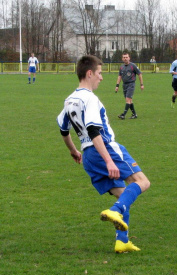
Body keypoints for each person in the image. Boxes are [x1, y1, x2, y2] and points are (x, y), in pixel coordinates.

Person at [57, 55, 150, 253]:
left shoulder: (69, 100)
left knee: (124, 195)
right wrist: (109, 161)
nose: (101, 77)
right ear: (89, 73)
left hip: (88, 156)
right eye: (99, 73)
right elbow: (93, 130)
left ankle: (122, 241)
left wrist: (73, 150)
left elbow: (63, 129)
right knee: (142, 182)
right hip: (104, 149)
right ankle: (114, 211)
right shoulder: (90, 98)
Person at [114, 53, 144, 120]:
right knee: (129, 100)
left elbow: (139, 74)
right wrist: (117, 86)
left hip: (131, 84)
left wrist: (141, 84)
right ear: (122, 59)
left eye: (126, 57)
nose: (125, 58)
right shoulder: (122, 67)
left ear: (129, 58)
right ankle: (134, 114)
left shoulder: (133, 66)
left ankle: (123, 115)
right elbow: (119, 76)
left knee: (128, 99)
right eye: (124, 57)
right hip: (124, 85)